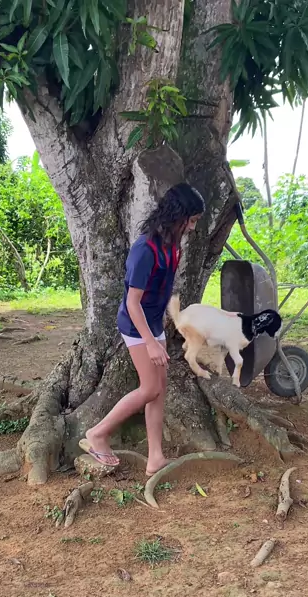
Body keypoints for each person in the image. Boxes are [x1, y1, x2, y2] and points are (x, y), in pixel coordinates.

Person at [80, 183, 205, 475]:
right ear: (178, 216)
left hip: (153, 323)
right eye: (191, 221)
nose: (193, 228)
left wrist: (162, 325)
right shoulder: (144, 250)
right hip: (136, 326)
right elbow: (132, 303)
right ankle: (97, 433)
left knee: (159, 390)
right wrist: (150, 342)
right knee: (149, 388)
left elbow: (160, 290)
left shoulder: (172, 246)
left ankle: (155, 458)